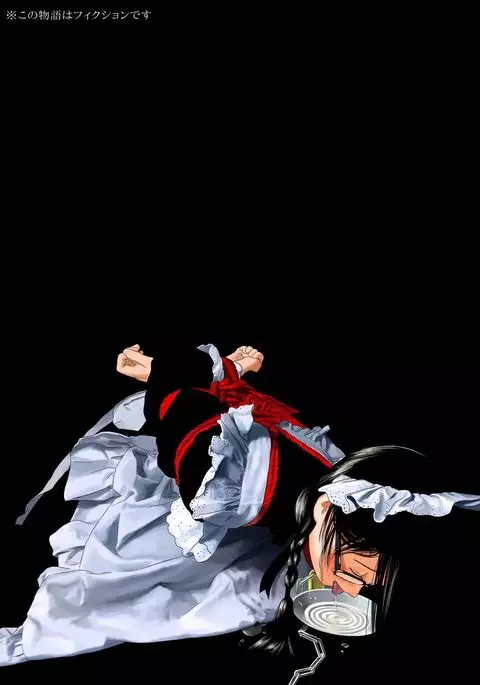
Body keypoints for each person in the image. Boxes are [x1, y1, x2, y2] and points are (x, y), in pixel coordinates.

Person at [0, 343, 478, 670]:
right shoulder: (233, 492)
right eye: (351, 571)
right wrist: (172, 374)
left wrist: (225, 377)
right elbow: (183, 414)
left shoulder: (339, 478)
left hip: (240, 470)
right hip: (177, 480)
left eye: (361, 587)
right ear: (337, 513)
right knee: (128, 592)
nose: (343, 588)